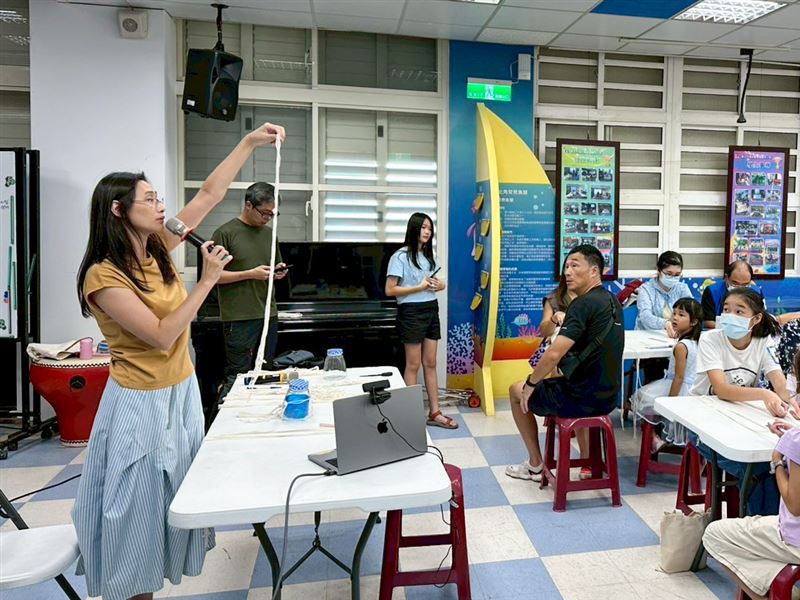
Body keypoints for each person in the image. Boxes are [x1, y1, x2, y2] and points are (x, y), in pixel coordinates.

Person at [72, 122, 285, 600]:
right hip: (139, 405)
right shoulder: (103, 275)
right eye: (149, 199)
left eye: (159, 197)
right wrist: (208, 280)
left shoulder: (159, 249)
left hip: (180, 394)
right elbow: (164, 337)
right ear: (117, 209)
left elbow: (210, 193)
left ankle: (151, 585)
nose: (161, 205)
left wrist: (249, 143)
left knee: (171, 504)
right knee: (135, 515)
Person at [505, 245, 624, 482]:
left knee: (515, 391)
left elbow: (552, 354)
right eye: (566, 266)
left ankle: (535, 465)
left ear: (594, 270)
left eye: (575, 265)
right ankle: (585, 462)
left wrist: (531, 383)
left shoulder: (582, 304)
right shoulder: (612, 302)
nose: (567, 272)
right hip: (609, 397)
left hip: (581, 398)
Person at [690, 287, 795, 515]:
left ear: (756, 319)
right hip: (702, 424)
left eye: (739, 311)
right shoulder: (710, 340)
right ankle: (753, 531)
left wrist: (790, 401)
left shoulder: (763, 340)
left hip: (738, 416)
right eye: (726, 310)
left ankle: (770, 531)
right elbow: (721, 389)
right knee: (759, 468)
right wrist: (765, 394)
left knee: (778, 463)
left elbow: (777, 378)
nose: (730, 316)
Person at [703, 422, 800, 600]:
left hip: (795, 540)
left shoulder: (797, 439)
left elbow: (794, 506)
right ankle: (782, 591)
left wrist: (777, 462)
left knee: (714, 535)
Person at [212, 182, 287, 402]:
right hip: (239, 317)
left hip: (268, 314)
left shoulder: (269, 235)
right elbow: (213, 277)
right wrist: (249, 274)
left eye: (273, 214)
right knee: (237, 375)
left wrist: (277, 273)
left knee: (266, 373)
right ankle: (223, 425)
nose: (268, 218)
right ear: (248, 205)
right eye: (264, 213)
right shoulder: (225, 233)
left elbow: (274, 268)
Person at [385, 213, 454, 429]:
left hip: (430, 309)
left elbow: (439, 283)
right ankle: (410, 415)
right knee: (413, 364)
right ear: (413, 228)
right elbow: (390, 289)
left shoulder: (429, 257)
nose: (427, 232)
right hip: (411, 312)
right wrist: (419, 287)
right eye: (423, 227)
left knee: (430, 363)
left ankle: (435, 412)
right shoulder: (399, 257)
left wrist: (438, 285)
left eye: (430, 229)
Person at [633, 297, 702, 450]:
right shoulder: (697, 342)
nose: (675, 317)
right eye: (674, 313)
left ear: (694, 322)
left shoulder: (681, 346)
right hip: (693, 389)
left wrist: (670, 402)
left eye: (681, 315)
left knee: (639, 398)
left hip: (677, 388)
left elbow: (679, 377)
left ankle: (654, 439)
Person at [634, 251, 694, 381]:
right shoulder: (646, 289)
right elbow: (645, 316)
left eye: (677, 275)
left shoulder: (682, 288)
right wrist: (665, 324)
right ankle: (654, 397)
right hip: (650, 342)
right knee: (656, 371)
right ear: (659, 270)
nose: (673, 278)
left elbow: (692, 312)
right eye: (669, 274)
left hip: (676, 340)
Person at [701, 259, 764, 329]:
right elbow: (707, 322)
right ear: (726, 277)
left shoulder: (757, 292)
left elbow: (761, 319)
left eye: (745, 284)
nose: (740, 288)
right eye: (735, 283)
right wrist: (731, 328)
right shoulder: (712, 291)